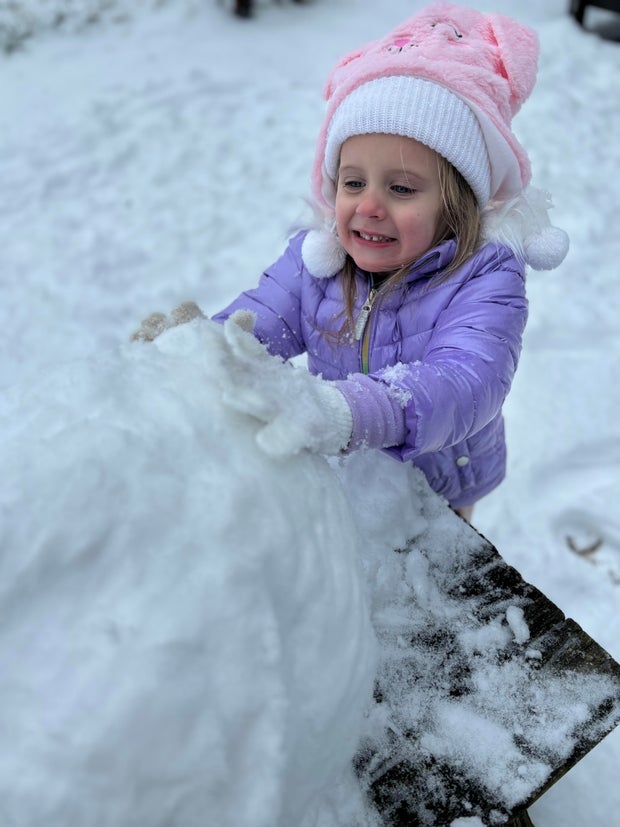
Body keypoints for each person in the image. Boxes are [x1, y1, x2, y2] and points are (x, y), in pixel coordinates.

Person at [133, 2, 569, 522]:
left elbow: (467, 380)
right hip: (348, 466)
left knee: (435, 574)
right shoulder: (316, 262)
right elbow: (260, 323)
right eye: (352, 182)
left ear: (456, 203)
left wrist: (344, 411)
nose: (369, 206)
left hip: (442, 481)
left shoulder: (482, 277)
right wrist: (199, 355)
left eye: (401, 187)